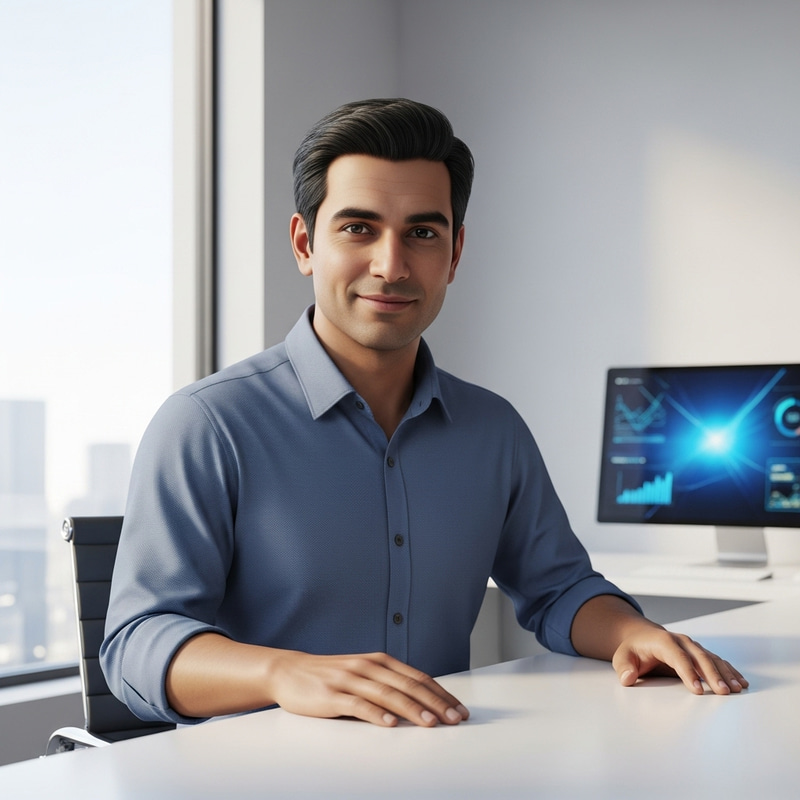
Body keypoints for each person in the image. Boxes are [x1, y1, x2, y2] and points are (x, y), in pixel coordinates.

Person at [101, 98, 747, 729]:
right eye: (358, 228)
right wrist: (284, 673)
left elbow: (560, 589)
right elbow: (136, 644)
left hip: (442, 768)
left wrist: (632, 632)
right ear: (304, 245)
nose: (391, 265)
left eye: (422, 232)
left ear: (455, 254)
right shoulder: (206, 426)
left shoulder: (493, 432)